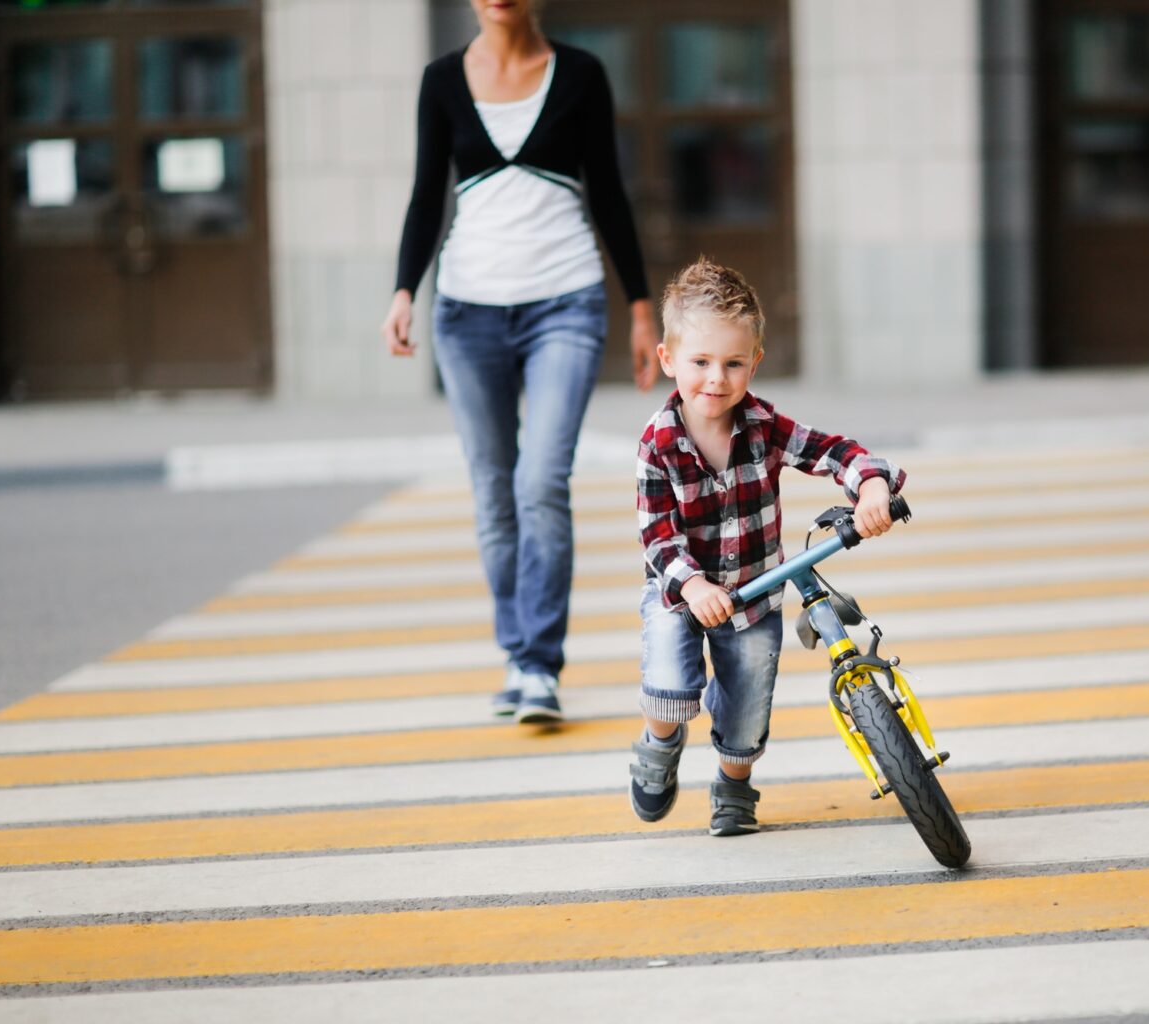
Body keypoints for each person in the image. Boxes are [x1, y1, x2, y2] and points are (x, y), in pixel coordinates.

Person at [381, 0, 659, 724]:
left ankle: (538, 664)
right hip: (466, 315)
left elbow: (609, 192)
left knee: (541, 482)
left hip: (566, 305)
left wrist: (639, 306)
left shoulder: (582, 74)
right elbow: (424, 196)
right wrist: (404, 288)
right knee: (493, 493)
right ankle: (517, 653)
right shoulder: (442, 79)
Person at [629, 258, 906, 836]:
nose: (716, 379)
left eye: (733, 364)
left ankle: (733, 784)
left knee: (749, 703)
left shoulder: (763, 426)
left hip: (753, 598)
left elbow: (832, 451)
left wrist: (872, 483)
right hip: (682, 592)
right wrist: (694, 583)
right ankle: (661, 741)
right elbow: (656, 534)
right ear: (667, 360)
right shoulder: (657, 444)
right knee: (668, 684)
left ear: (754, 362)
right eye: (700, 362)